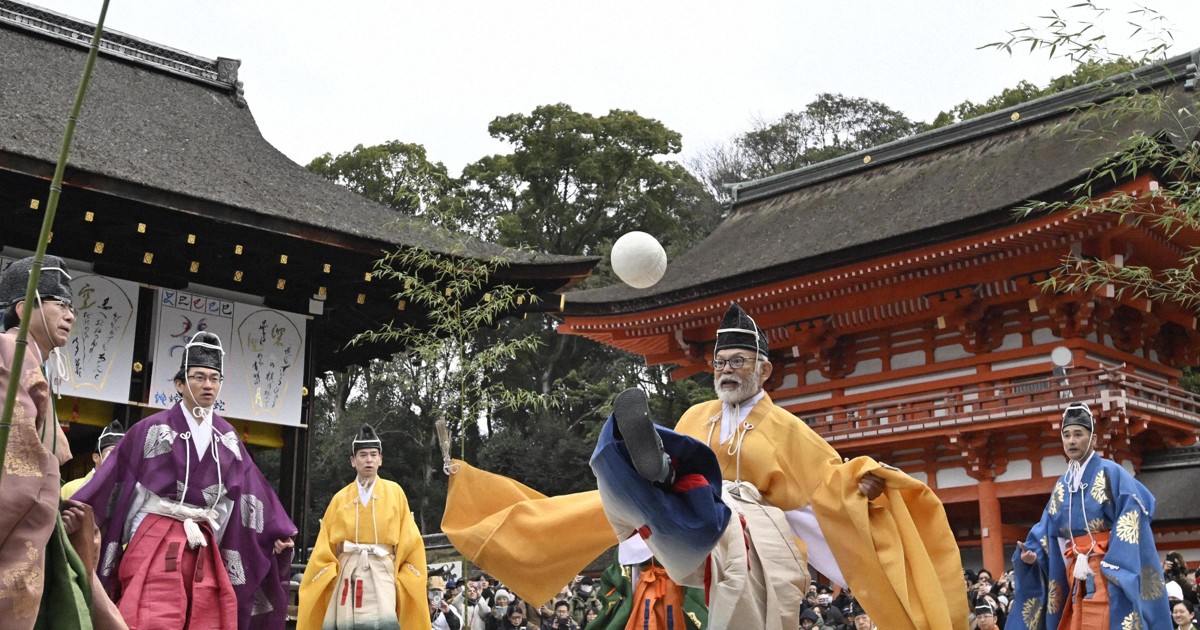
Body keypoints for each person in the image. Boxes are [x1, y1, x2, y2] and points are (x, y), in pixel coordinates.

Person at [444, 302, 967, 630]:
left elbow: (829, 482)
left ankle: (665, 487)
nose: (726, 370)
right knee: (593, 504)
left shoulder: (787, 428)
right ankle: (633, 468)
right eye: (719, 362)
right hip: (693, 515)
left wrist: (865, 481)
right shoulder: (697, 413)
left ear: (763, 369)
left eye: (738, 362)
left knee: (726, 530)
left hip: (752, 526)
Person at [74, 330, 298, 629]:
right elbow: (114, 485)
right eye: (198, 376)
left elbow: (252, 493)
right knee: (149, 614)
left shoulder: (227, 438)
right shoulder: (150, 429)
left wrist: (275, 532)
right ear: (179, 384)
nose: (208, 385)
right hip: (155, 533)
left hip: (204, 540)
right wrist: (74, 517)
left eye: (215, 378)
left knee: (205, 616)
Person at [1007, 402, 1170, 630]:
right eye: (1066, 435)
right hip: (1075, 571)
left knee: (1103, 618)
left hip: (1106, 566)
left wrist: (1117, 560)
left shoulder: (1111, 472)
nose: (1071, 441)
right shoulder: (1063, 484)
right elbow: (1048, 528)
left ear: (1092, 439)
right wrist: (1034, 556)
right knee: (1076, 621)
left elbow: (1134, 506)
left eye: (1078, 434)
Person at [299, 423, 430, 630]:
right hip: (347, 571)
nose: (368, 460)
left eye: (373, 455)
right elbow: (325, 546)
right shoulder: (340, 498)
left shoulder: (395, 492)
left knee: (384, 621)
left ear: (380, 460)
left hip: (383, 571)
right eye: (362, 455)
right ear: (353, 461)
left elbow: (411, 542)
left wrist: (403, 578)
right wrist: (328, 574)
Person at [61, 419, 124, 499]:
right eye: (111, 452)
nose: (116, 457)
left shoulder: (123, 495)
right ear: (96, 457)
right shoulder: (72, 488)